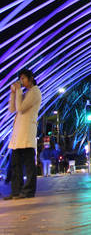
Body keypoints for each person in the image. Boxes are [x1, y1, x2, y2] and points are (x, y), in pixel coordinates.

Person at [4, 68, 42, 200]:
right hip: (18, 135)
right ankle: (16, 191)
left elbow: (20, 108)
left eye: (23, 79)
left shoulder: (35, 92)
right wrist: (13, 93)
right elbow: (12, 108)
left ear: (31, 78)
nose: (21, 81)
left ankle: (28, 191)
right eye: (20, 79)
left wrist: (19, 90)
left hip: (26, 134)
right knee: (15, 165)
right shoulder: (26, 93)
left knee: (29, 165)